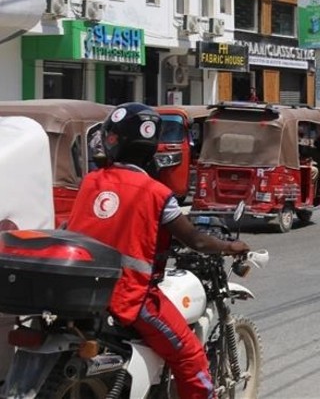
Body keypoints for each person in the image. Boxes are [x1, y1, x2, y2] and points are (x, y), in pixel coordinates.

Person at [66, 103, 249, 399]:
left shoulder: (91, 181)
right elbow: (197, 241)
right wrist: (231, 246)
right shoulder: (158, 194)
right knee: (190, 355)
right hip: (128, 298)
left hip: (83, 290)